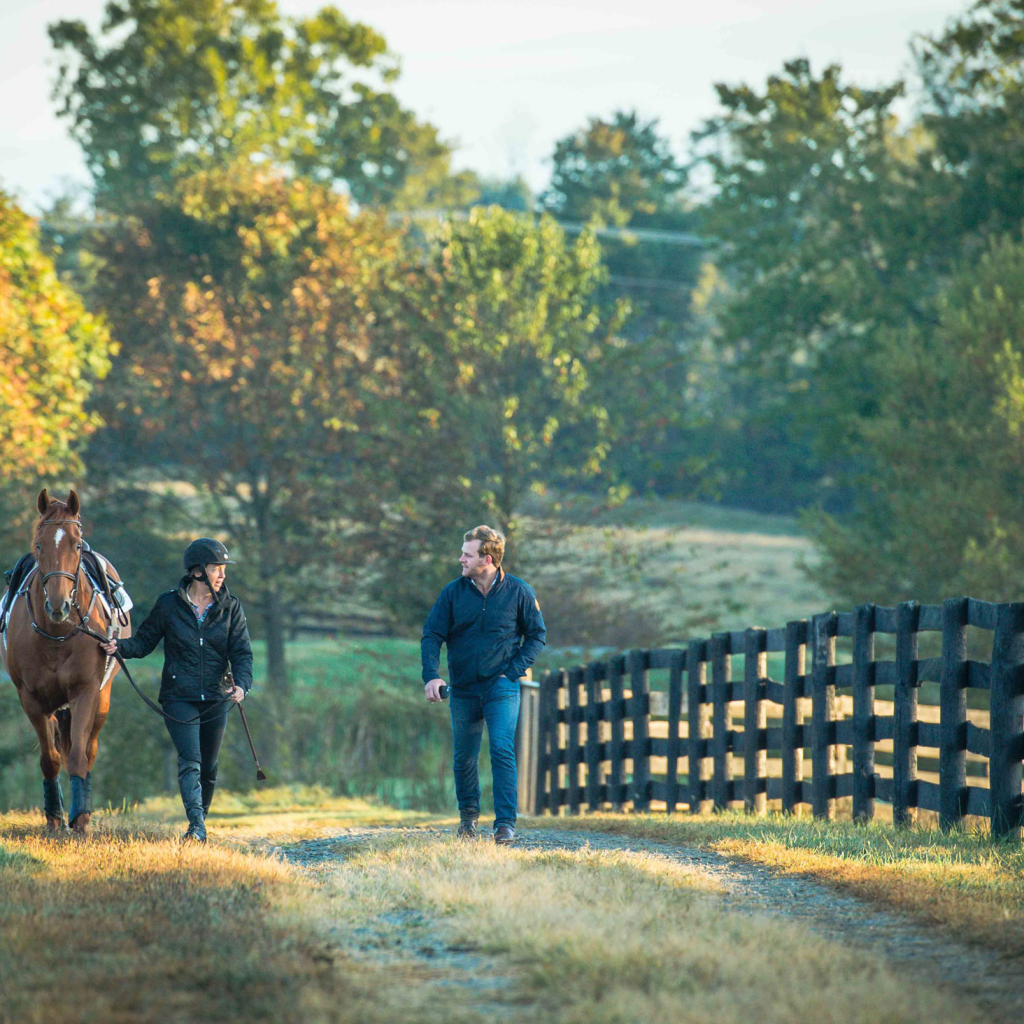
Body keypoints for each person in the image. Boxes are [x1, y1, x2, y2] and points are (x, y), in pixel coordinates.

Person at [100, 538, 252, 842]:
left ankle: (199, 823)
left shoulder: (231, 607)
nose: (222, 575)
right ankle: (196, 827)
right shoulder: (168, 605)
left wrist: (242, 685)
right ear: (197, 572)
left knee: (209, 766)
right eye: (216, 569)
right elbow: (144, 642)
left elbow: (242, 652)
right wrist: (119, 647)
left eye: (223, 569)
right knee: (191, 759)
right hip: (178, 697)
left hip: (217, 697)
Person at [421, 526, 546, 844]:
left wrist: (513, 671)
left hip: (501, 687)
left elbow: (536, 635)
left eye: (467, 554)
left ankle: (505, 825)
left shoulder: (520, 592)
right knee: (464, 756)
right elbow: (432, 635)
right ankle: (468, 819)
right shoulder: (452, 593)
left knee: (502, 749)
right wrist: (431, 675)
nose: (460, 559)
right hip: (463, 688)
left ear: (486, 559)